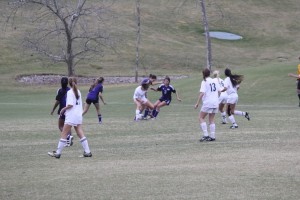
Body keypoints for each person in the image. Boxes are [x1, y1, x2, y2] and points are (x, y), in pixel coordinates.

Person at [48, 77, 92, 158]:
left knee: (64, 134)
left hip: (71, 116)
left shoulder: (69, 92)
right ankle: (87, 152)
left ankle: (57, 153)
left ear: (69, 83)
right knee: (80, 133)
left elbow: (70, 105)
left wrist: (63, 109)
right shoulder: (78, 91)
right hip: (78, 115)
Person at [194, 69, 220, 142]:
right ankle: (212, 136)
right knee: (211, 120)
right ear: (209, 74)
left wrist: (197, 103)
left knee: (201, 117)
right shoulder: (214, 81)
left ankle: (206, 135)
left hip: (208, 102)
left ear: (203, 74)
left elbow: (202, 93)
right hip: (215, 102)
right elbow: (219, 91)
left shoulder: (204, 81)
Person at [50, 77, 73, 147]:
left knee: (60, 126)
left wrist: (53, 109)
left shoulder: (59, 91)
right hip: (70, 110)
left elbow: (57, 101)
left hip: (62, 110)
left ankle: (68, 136)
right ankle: (69, 141)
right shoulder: (70, 90)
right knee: (68, 126)